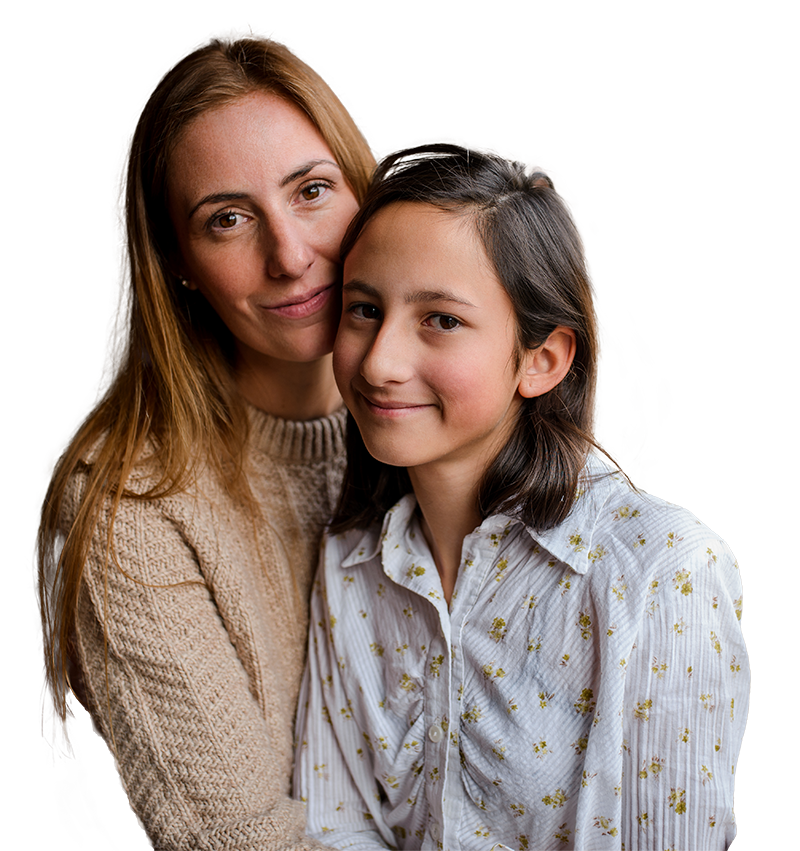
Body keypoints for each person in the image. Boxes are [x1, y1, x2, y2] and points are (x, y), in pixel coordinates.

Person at [293, 145, 750, 850]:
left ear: (542, 359)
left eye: (440, 319)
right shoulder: (346, 564)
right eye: (363, 309)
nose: (380, 361)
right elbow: (333, 827)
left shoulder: (666, 572)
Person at [35, 34, 375, 849]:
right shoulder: (126, 501)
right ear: (179, 260)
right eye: (227, 219)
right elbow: (238, 838)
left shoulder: (449, 418)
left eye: (313, 190)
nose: (290, 255)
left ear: (367, 193)